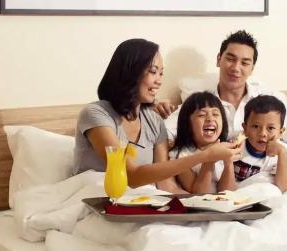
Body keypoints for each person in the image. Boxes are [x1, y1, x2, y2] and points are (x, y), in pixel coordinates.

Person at [73, 38, 241, 193]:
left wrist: (202, 205)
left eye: (161, 73)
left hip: (140, 200)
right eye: (153, 71)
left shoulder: (154, 121)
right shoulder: (96, 114)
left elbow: (166, 185)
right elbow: (131, 175)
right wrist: (205, 156)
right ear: (130, 72)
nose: (159, 81)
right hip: (95, 199)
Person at [162, 30, 287, 173]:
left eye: (245, 63)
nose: (236, 68)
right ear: (219, 59)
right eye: (230, 59)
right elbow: (163, 135)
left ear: (252, 68)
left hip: (274, 173)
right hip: (227, 178)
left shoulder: (270, 98)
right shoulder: (201, 103)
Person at [218, 95, 287, 192]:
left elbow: (282, 188)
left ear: (280, 132)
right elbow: (224, 192)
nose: (262, 133)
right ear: (245, 128)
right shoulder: (234, 146)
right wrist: (228, 162)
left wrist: (282, 153)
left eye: (270, 128)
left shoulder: (283, 152)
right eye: (256, 126)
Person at [170, 91, 230, 194]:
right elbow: (199, 194)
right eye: (202, 115)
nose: (210, 119)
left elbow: (229, 193)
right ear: (187, 124)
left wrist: (228, 162)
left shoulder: (224, 149)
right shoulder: (179, 156)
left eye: (215, 114)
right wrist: (210, 159)